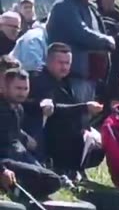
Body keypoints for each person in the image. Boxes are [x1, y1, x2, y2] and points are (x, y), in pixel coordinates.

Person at [26, 43, 105, 178]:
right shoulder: (39, 79)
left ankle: (75, 169)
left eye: (67, 63)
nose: (64, 67)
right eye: (60, 62)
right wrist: (84, 107)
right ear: (48, 60)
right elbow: (51, 108)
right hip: (48, 134)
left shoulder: (65, 81)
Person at [45, 0, 115, 103]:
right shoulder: (64, 6)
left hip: (90, 78)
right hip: (73, 77)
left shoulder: (88, 8)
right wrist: (107, 41)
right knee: (78, 118)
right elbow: (81, 33)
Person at [0, 67, 68, 200]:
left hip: (17, 155)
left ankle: (17, 187)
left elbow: (14, 131)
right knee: (50, 180)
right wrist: (2, 170)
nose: (22, 93)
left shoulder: (18, 109)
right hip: (4, 160)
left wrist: (25, 138)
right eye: (18, 88)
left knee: (52, 180)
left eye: (25, 89)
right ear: (5, 88)